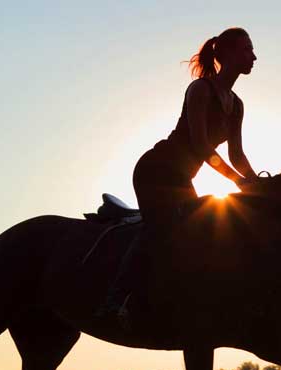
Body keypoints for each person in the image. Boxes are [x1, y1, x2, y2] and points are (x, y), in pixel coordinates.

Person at [97, 27, 261, 324]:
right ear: (225, 54)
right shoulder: (200, 89)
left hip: (182, 179)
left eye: (252, 50)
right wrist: (237, 181)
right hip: (156, 170)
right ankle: (115, 298)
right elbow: (200, 144)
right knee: (159, 228)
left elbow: (237, 155)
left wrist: (258, 182)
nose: (254, 56)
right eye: (246, 50)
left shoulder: (237, 105)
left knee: (199, 234)